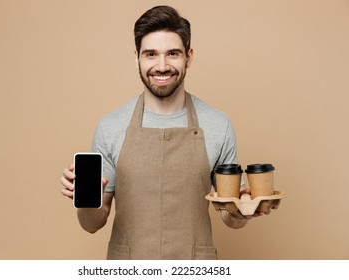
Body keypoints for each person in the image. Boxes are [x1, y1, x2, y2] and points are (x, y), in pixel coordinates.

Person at [60, 5, 270, 260]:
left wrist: (241, 211)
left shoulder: (217, 124)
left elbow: (230, 219)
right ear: (136, 56)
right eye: (151, 54)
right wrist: (83, 198)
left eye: (172, 53)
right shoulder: (111, 126)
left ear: (189, 56)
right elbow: (92, 223)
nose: (161, 66)